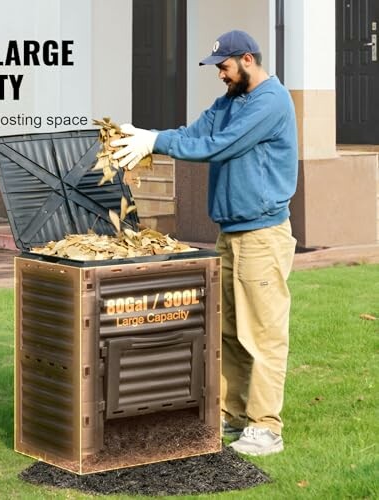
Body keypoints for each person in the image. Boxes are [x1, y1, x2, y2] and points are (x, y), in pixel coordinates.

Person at [111, 30, 298, 456]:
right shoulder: (230, 101)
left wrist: (156, 141)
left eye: (224, 66)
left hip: (262, 234)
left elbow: (217, 146)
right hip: (230, 232)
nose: (220, 74)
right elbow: (196, 132)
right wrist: (146, 135)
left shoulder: (270, 102)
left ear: (247, 59)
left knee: (263, 334)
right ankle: (233, 416)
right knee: (229, 331)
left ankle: (266, 427)